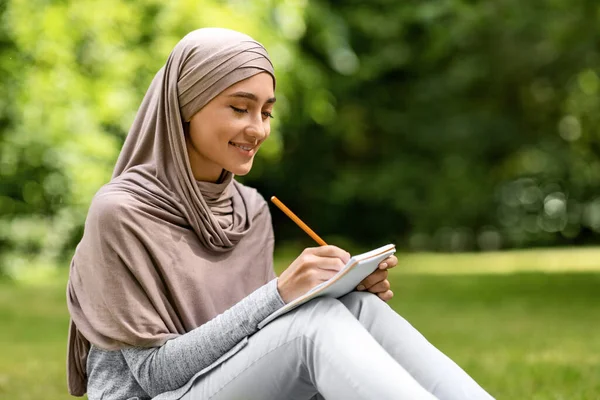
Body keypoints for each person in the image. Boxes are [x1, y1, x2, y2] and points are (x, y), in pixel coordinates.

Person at [66, 28, 494, 400]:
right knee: (312, 326)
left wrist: (335, 287)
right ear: (185, 106)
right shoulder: (120, 212)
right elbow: (155, 375)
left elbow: (254, 343)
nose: (258, 129)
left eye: (266, 112)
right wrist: (281, 294)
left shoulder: (250, 209)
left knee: (360, 309)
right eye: (239, 108)